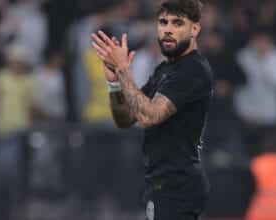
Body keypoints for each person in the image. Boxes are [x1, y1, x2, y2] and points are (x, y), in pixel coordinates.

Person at [91, 0, 213, 219]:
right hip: (160, 184)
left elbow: (149, 116)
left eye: (177, 23)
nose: (167, 29)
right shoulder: (165, 69)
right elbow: (126, 119)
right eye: (163, 22)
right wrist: (115, 83)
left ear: (194, 29)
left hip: (178, 187)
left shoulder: (192, 70)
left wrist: (123, 69)